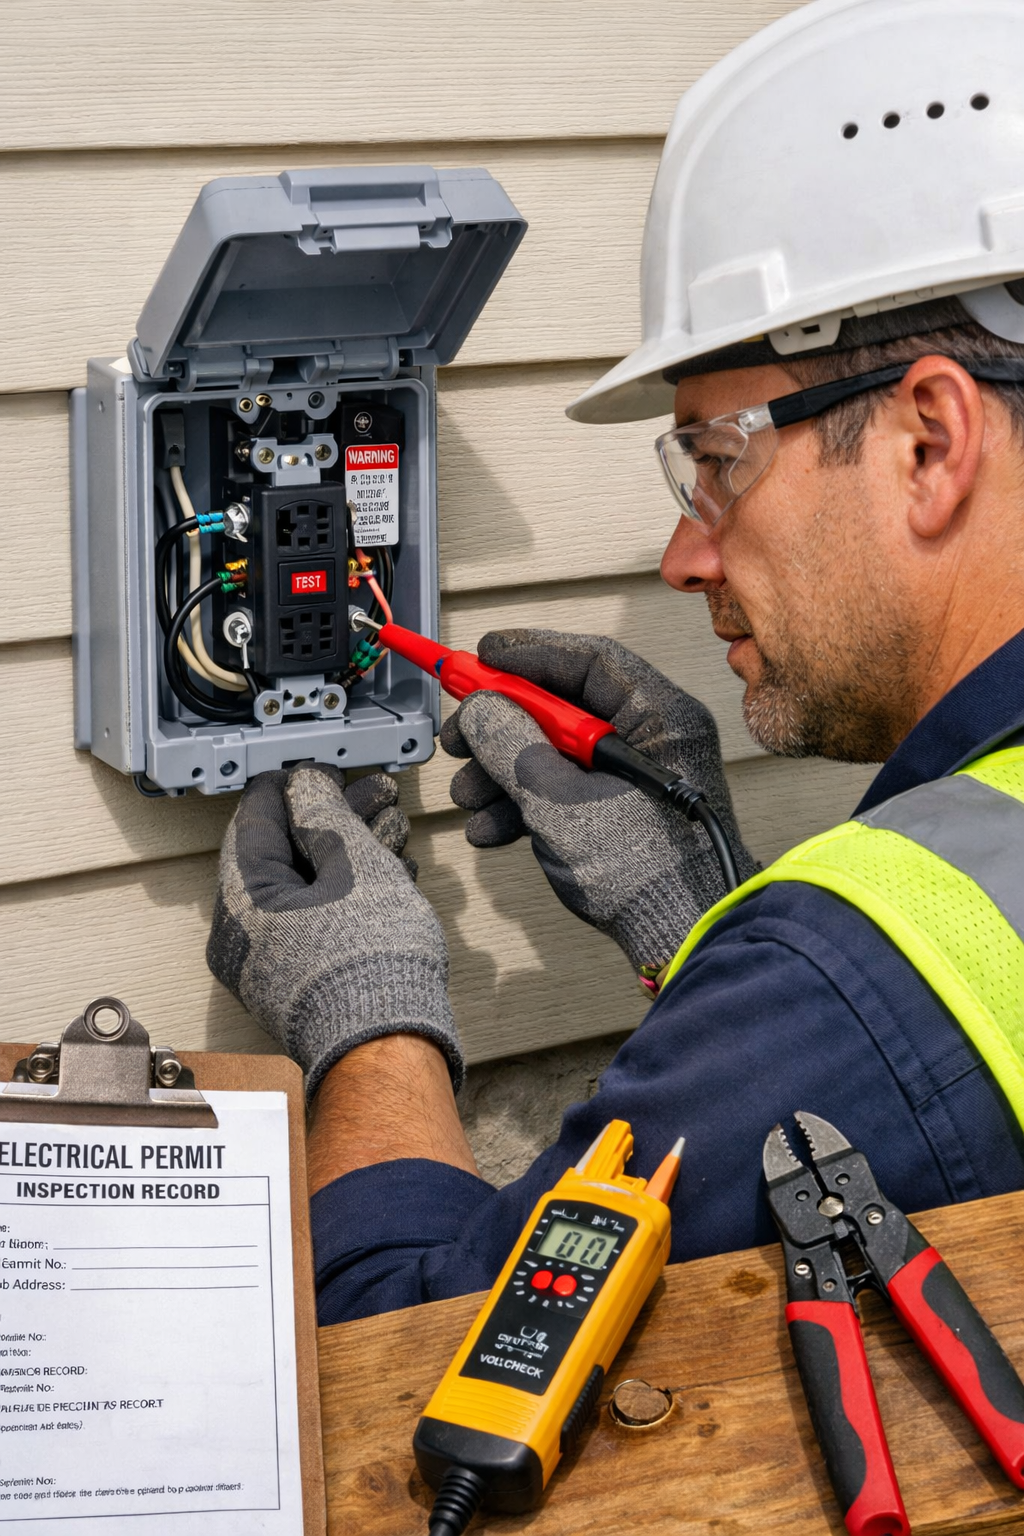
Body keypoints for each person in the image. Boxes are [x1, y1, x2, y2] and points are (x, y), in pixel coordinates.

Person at [206, 0, 1024, 1324]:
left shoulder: (851, 983)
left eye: (716, 460)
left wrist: (368, 1021)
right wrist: (688, 901)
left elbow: (420, 1358)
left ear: (929, 442)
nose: (682, 559)